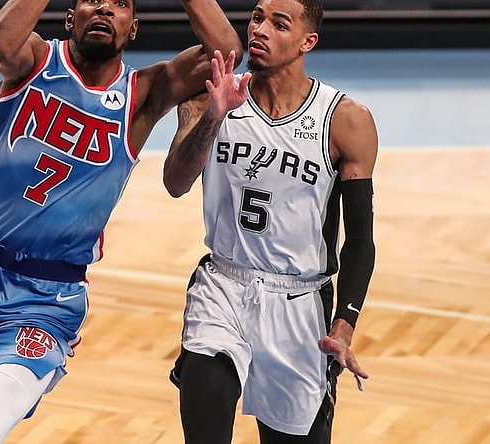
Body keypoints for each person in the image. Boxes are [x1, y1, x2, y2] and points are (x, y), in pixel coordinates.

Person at [0, 0, 243, 443]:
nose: (104, 9)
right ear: (70, 17)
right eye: (92, 0)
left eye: (119, 5)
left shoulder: (143, 94)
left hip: (44, 296)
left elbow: (226, 51)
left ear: (133, 28)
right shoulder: (35, 60)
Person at [162, 0, 378, 442]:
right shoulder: (211, 95)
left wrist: (345, 321)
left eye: (279, 24)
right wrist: (214, 117)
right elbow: (176, 182)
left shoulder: (345, 121)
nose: (260, 30)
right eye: (257, 18)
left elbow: (359, 239)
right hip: (223, 286)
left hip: (299, 304)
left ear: (307, 42)